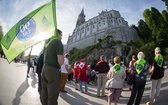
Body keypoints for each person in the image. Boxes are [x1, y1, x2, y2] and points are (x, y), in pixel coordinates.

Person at [40, 29, 64, 105]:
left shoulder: (48, 44)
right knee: (52, 97)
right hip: (53, 71)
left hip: (44, 69)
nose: (61, 37)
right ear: (57, 34)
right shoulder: (58, 42)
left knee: (44, 94)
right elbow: (60, 62)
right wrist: (62, 57)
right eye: (61, 35)